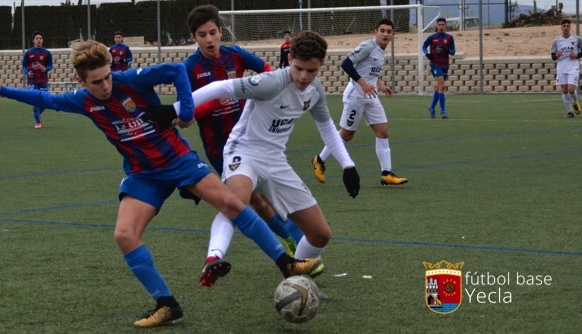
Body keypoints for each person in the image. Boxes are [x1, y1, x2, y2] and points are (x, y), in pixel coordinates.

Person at [0, 41, 322, 328]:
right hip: (143, 173)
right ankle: (167, 304)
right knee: (124, 235)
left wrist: (185, 111)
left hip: (178, 160)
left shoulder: (130, 79)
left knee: (233, 204)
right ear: (81, 80)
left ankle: (285, 263)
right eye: (96, 82)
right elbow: (44, 100)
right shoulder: (82, 100)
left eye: (106, 77)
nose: (105, 86)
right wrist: (2, 90)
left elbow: (176, 70)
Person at [151, 31, 360, 289]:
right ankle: (213, 258)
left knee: (320, 234)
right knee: (235, 202)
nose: (304, 77)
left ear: (320, 67)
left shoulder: (314, 90)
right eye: (299, 68)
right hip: (244, 153)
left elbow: (327, 127)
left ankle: (293, 278)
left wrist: (348, 165)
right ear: (289, 59)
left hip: (275, 161)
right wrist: (175, 110)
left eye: (311, 71)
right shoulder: (272, 82)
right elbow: (221, 87)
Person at [183, 5, 304, 259]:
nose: (209, 39)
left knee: (269, 194)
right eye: (202, 35)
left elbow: (271, 74)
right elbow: (185, 117)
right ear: (194, 37)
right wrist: (214, 103)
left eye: (213, 32)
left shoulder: (235, 55)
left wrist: (263, 95)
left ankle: (295, 241)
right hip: (221, 148)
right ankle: (293, 242)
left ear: (220, 32)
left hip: (254, 140)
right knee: (255, 200)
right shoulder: (189, 68)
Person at [312, 18, 408, 186]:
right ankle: (319, 160)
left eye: (389, 31)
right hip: (356, 96)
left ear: (393, 35)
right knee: (346, 135)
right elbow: (346, 64)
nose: (385, 34)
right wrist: (363, 83)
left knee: (383, 132)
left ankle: (386, 174)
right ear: (375, 32)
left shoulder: (381, 50)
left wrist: (380, 84)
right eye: (382, 31)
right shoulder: (368, 47)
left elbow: (370, 71)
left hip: (371, 95)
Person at [422, 17, 456, 119]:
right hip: (435, 64)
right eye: (439, 25)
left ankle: (432, 107)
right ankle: (443, 111)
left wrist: (448, 50)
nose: (441, 26)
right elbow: (423, 46)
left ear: (445, 26)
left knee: (439, 87)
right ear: (437, 26)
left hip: (445, 64)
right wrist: (427, 54)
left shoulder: (449, 38)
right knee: (442, 85)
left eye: (443, 25)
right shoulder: (432, 37)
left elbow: (453, 52)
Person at [550, 18, 582, 118]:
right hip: (561, 67)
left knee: (571, 90)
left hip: (573, 67)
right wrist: (557, 55)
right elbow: (553, 56)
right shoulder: (556, 41)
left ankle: (575, 101)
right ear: (561, 28)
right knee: (564, 90)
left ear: (570, 27)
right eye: (564, 26)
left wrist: (577, 56)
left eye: (567, 26)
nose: (566, 28)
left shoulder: (577, 39)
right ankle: (570, 111)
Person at [22, 31, 53, 128]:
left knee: (46, 101)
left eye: (40, 38)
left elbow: (51, 65)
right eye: (37, 38)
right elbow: (24, 66)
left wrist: (46, 69)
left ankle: (38, 113)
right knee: (35, 101)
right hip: (32, 80)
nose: (38, 40)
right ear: (33, 41)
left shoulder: (47, 53)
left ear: (43, 40)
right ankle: (38, 122)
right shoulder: (29, 53)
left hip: (43, 80)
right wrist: (27, 72)